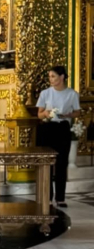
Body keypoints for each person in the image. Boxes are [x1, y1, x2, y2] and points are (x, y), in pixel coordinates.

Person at [36, 65, 80, 208]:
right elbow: (39, 114)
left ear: (61, 77)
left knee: (61, 163)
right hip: (47, 128)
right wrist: (46, 114)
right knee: (47, 163)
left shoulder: (72, 94)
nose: (51, 79)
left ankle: (60, 198)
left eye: (53, 76)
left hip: (62, 128)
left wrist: (68, 115)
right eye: (49, 76)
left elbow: (77, 112)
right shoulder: (45, 93)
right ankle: (47, 197)